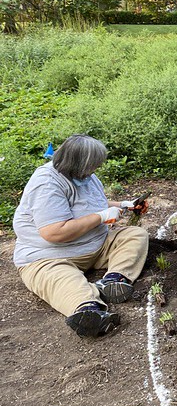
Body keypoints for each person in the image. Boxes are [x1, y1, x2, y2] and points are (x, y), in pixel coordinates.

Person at [12, 135, 149, 338]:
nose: (95, 170)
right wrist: (101, 217)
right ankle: (88, 310)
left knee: (135, 235)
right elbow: (54, 232)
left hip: (96, 245)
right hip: (50, 256)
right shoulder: (46, 184)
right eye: (93, 165)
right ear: (78, 163)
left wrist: (123, 205)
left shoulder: (85, 175)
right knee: (64, 279)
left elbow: (91, 202)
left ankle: (113, 280)